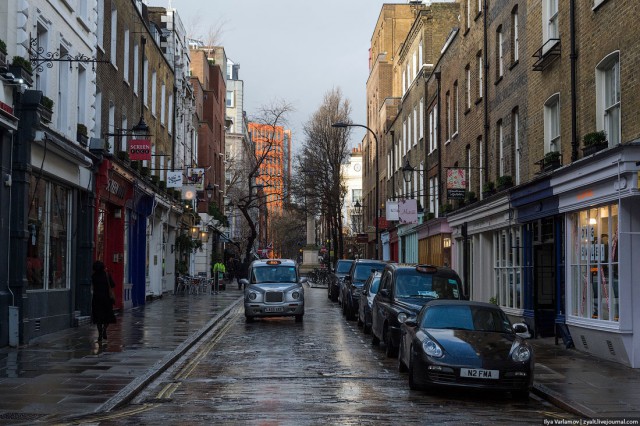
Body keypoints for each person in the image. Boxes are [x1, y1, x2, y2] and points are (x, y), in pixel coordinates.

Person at [91, 260, 116, 342]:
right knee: (107, 317)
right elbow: (112, 285)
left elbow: (92, 287)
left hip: (96, 299)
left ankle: (100, 333)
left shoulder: (93, 276)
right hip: (106, 299)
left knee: (98, 318)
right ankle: (104, 329)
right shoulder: (107, 275)